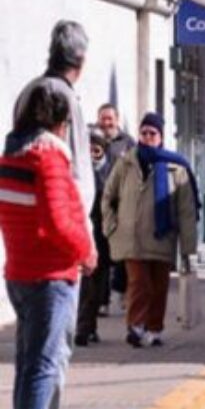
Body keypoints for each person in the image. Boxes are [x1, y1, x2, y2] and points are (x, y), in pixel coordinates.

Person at [0, 85, 95, 409]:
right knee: (42, 366)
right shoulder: (49, 158)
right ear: (58, 122)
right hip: (50, 276)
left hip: (20, 270)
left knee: (28, 368)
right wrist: (85, 251)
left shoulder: (10, 157)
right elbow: (58, 220)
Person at [11, 20, 91, 409]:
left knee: (32, 355)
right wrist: (86, 243)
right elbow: (74, 180)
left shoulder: (28, 93)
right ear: (80, 59)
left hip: (23, 246)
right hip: (53, 254)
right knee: (51, 350)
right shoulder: (63, 104)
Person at [102, 113, 198, 348]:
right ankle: (135, 326)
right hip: (132, 238)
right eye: (143, 133)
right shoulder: (125, 163)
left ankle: (154, 329)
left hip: (162, 237)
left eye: (152, 133)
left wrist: (188, 248)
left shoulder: (177, 167)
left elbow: (186, 210)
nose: (147, 137)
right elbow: (108, 197)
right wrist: (111, 226)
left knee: (159, 286)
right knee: (139, 283)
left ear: (161, 137)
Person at [95, 104, 135, 314]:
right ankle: (102, 301)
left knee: (121, 252)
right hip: (97, 206)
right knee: (100, 254)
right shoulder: (92, 140)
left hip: (121, 205)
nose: (106, 123)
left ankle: (120, 291)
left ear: (117, 120)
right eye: (103, 118)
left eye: (110, 119)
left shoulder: (127, 143)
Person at [74, 130, 111, 347]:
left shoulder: (111, 171)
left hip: (103, 236)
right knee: (85, 285)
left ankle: (90, 325)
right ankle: (83, 328)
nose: (92, 155)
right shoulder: (78, 171)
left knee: (97, 286)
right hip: (83, 235)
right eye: (88, 150)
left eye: (96, 150)